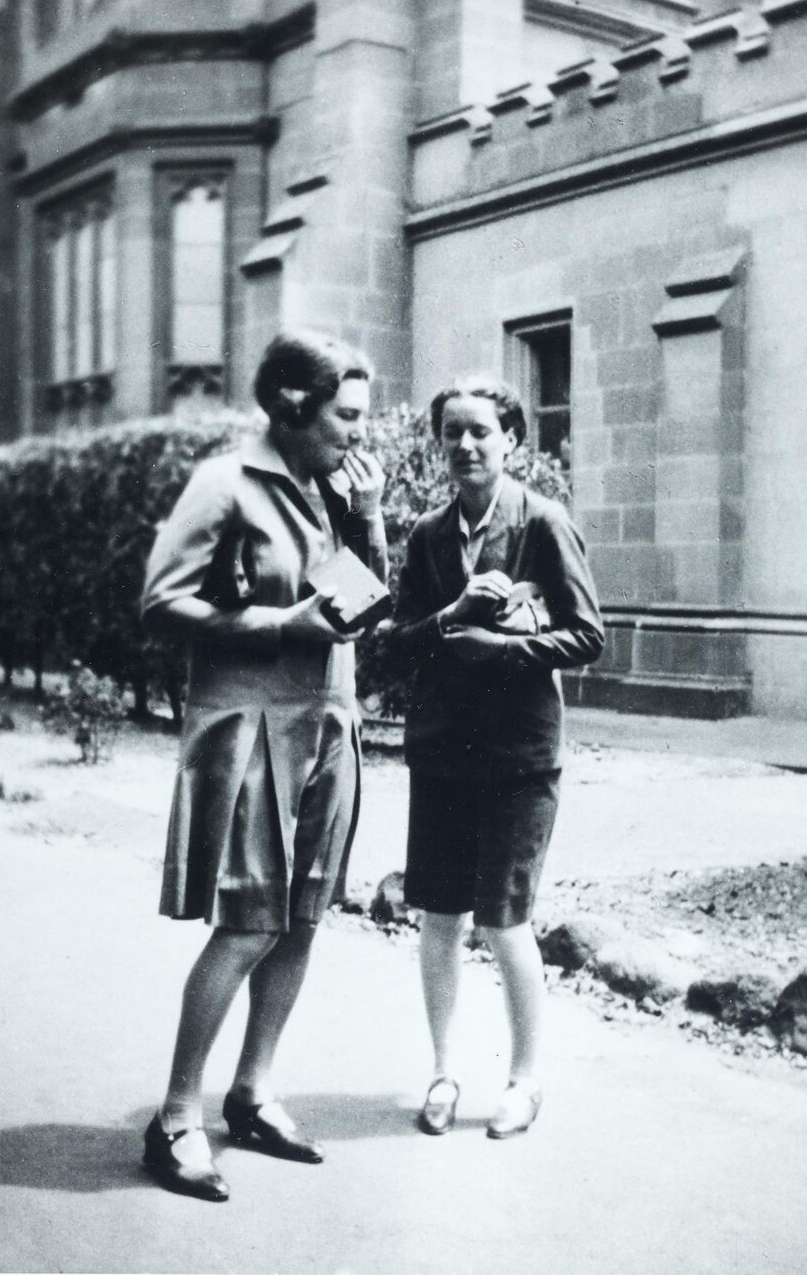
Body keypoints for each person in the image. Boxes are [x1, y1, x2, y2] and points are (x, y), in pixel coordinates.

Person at [140, 331, 387, 1201]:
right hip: (252, 729)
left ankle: (253, 1092)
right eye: (346, 416)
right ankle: (175, 1117)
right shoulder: (225, 482)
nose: (359, 432)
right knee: (249, 921)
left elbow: (361, 605)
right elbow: (162, 598)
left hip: (327, 722)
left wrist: (367, 519)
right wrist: (280, 625)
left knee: (303, 914)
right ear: (292, 405)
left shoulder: (331, 489)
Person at [387, 378, 604, 1140]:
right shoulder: (425, 535)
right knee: (439, 918)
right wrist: (451, 622)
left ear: (512, 439)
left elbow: (588, 635)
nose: (466, 446)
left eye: (481, 431)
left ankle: (524, 1080)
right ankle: (444, 1072)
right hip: (444, 750)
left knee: (505, 920)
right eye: (452, 433)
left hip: (518, 755)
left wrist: (502, 648)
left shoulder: (543, 522)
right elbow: (396, 640)